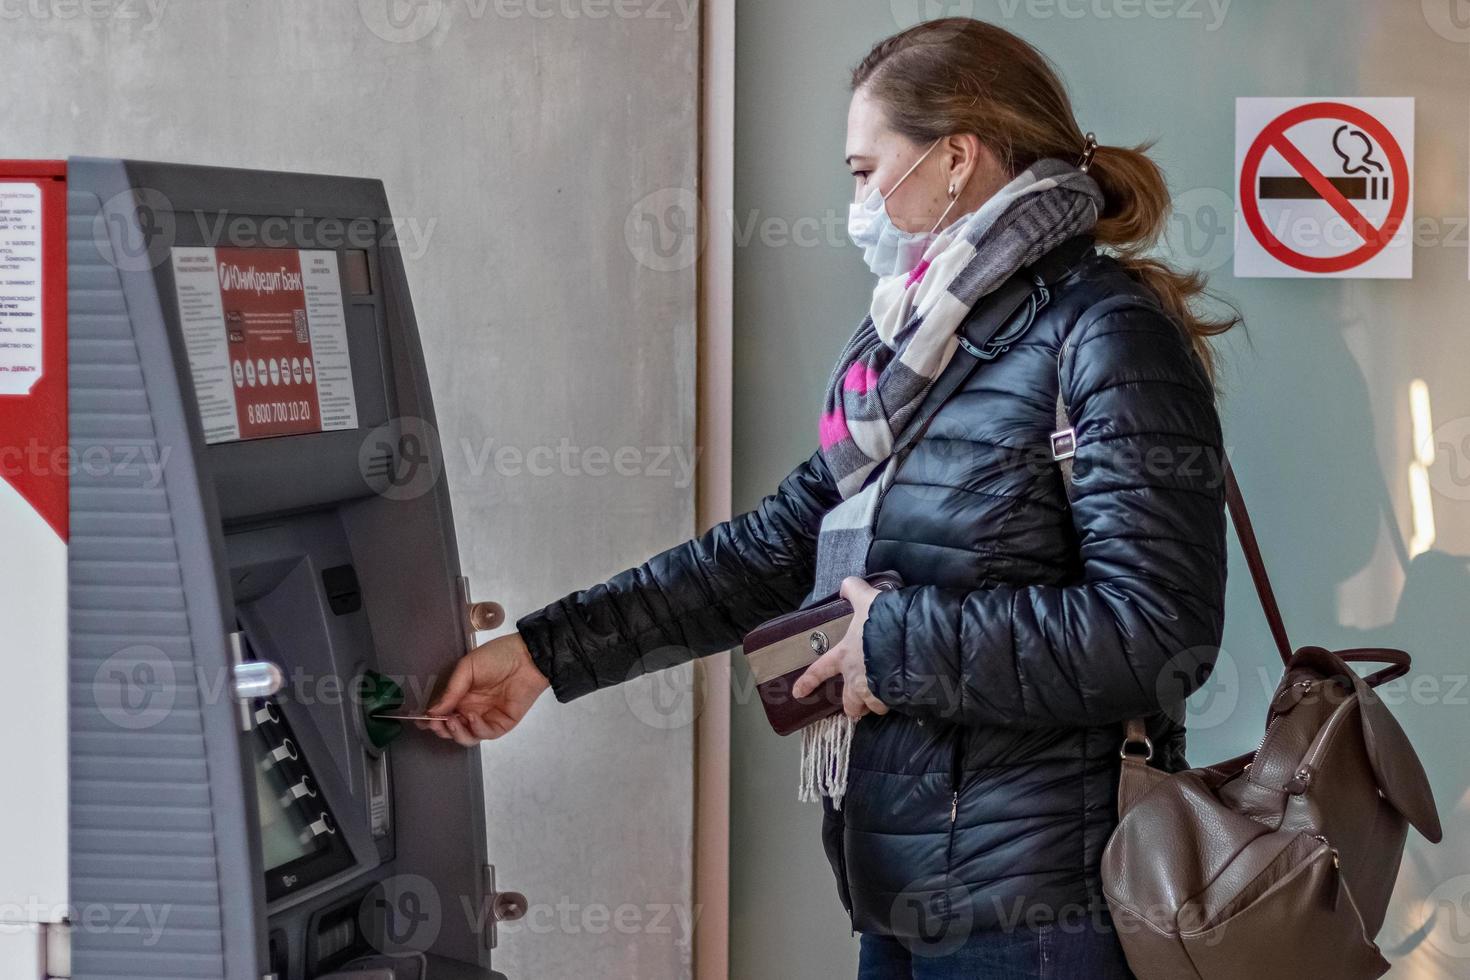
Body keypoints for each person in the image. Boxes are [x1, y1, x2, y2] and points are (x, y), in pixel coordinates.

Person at [426, 17, 1235, 979]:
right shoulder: (916, 353)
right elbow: (766, 553)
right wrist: (544, 654)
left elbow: (1156, 633)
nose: (853, 199)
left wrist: (896, 642)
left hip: (1039, 917)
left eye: (864, 170)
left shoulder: (1104, 336)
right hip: (899, 902)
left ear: (954, 159)